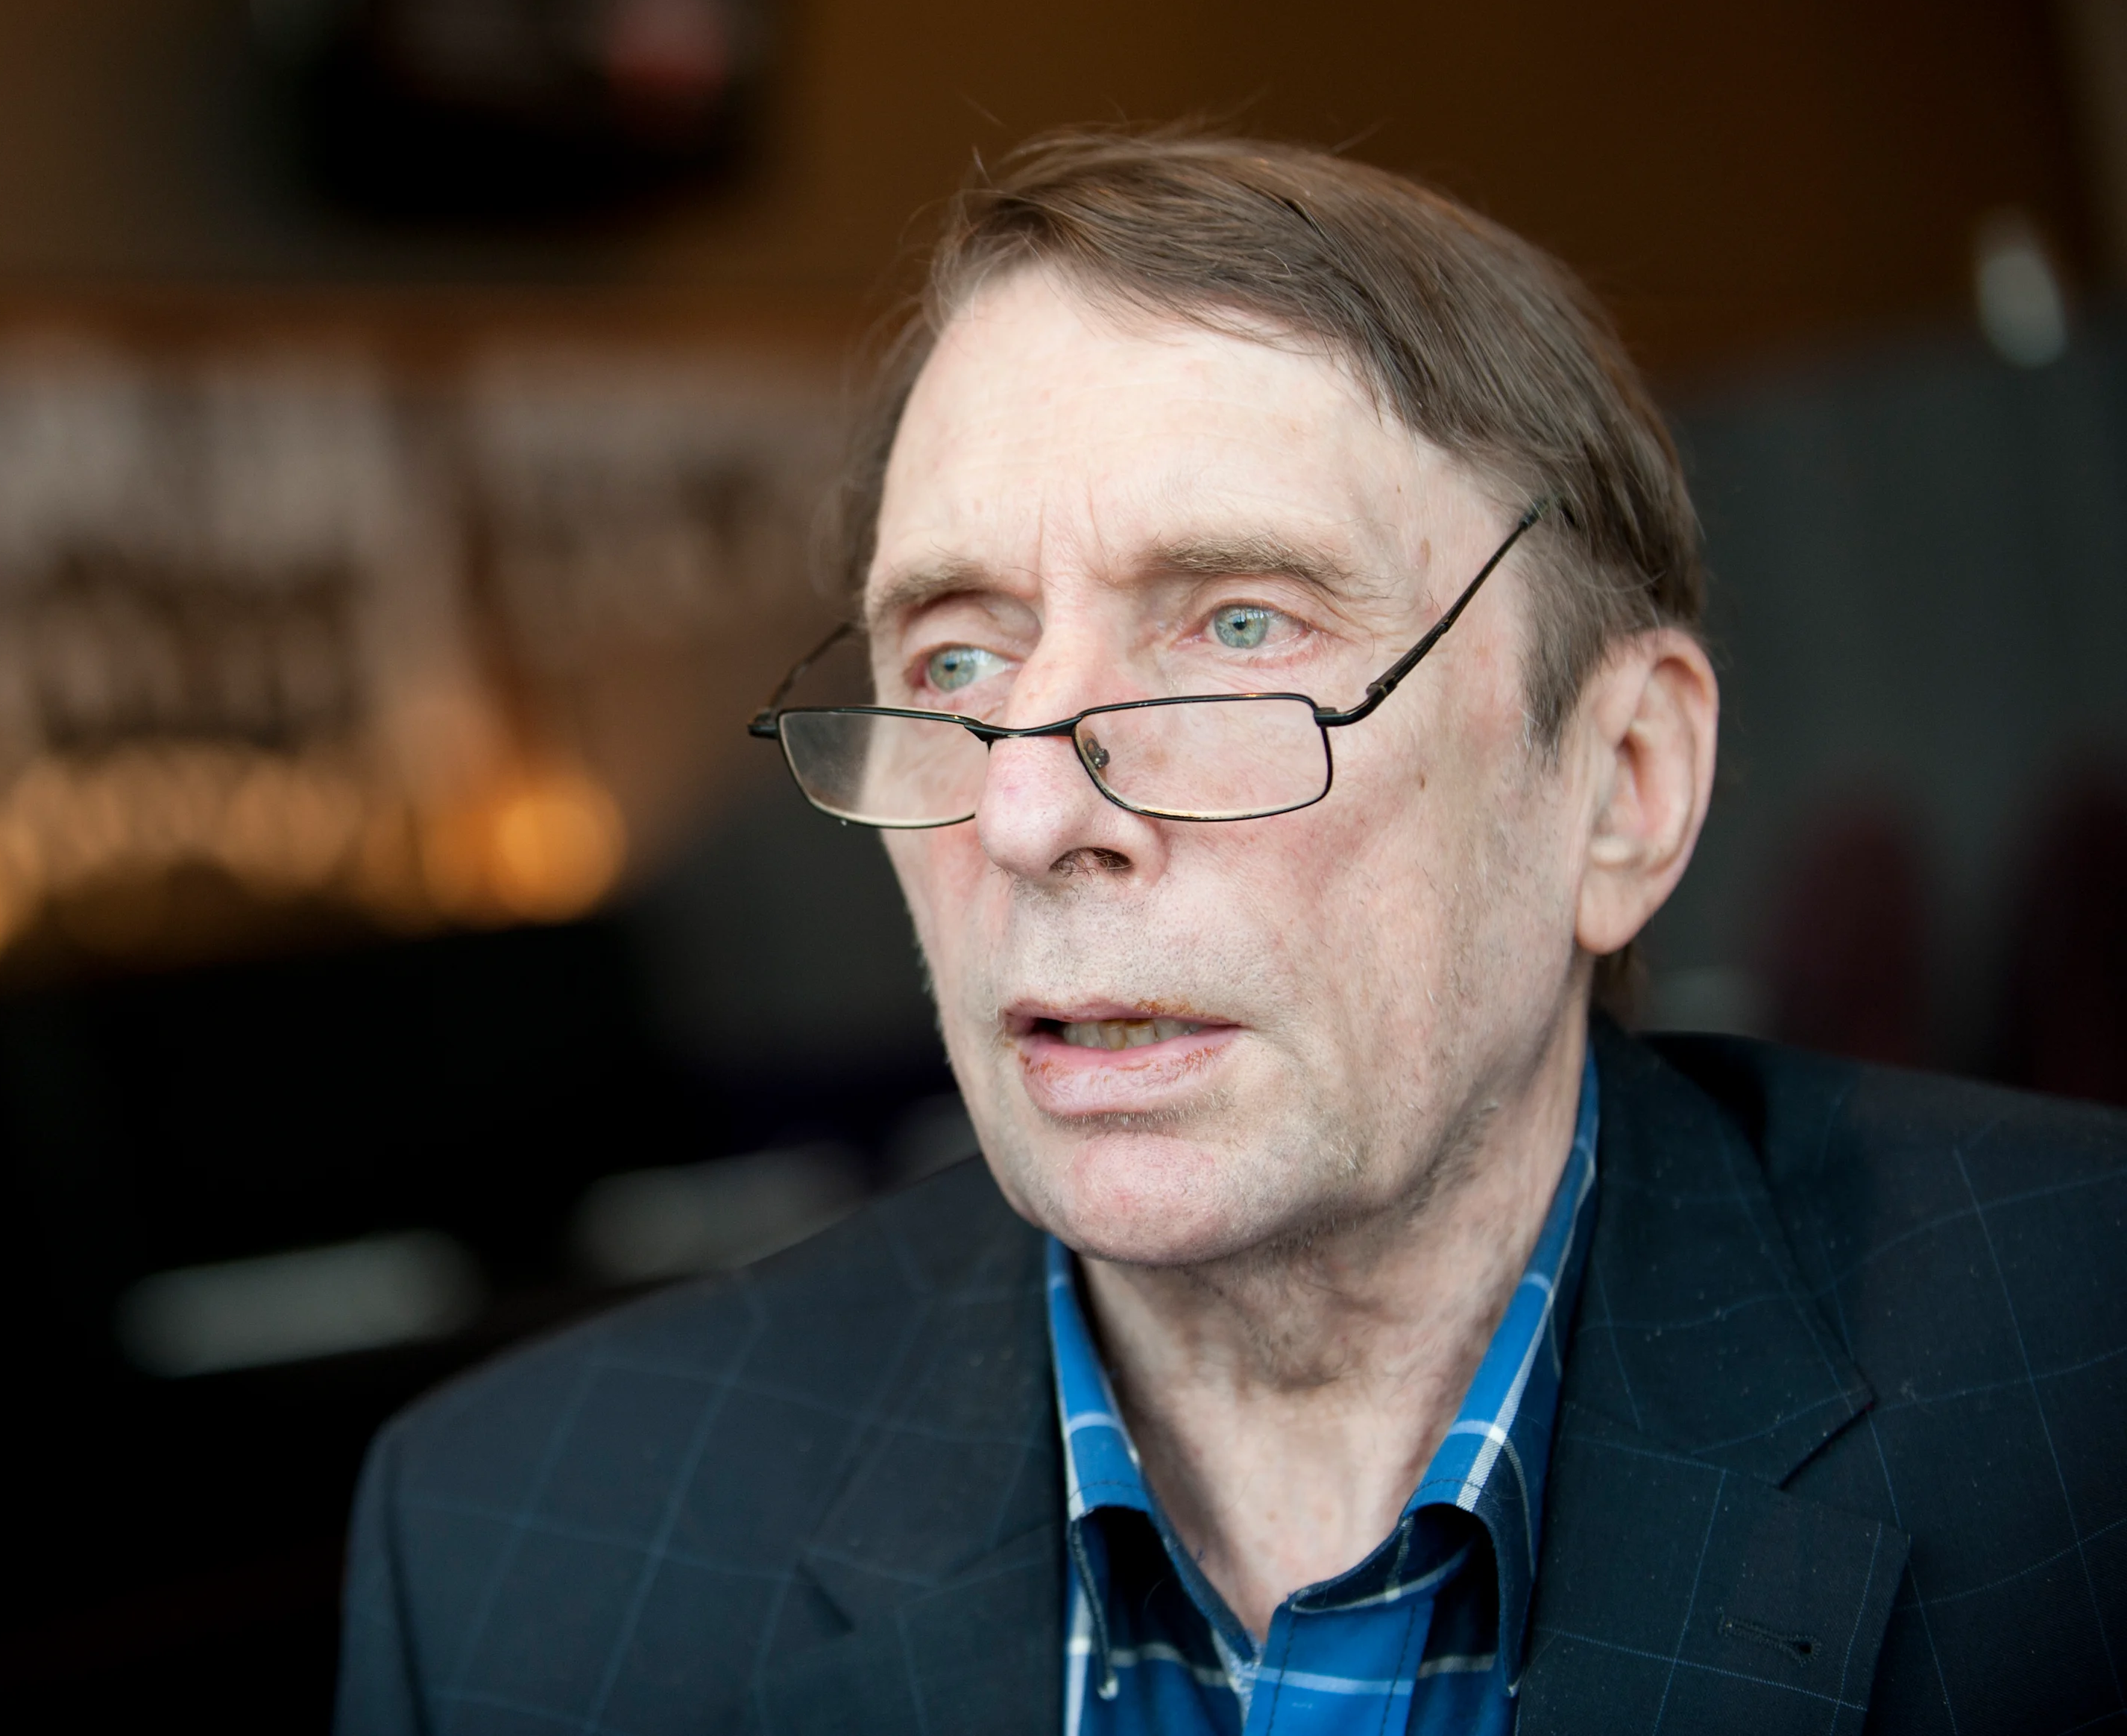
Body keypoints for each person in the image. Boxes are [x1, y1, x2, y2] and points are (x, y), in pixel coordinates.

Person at [334, 131, 2127, 1734]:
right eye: (955, 659)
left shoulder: (2083, 1373)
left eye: (1240, 629)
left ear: (1623, 782)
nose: (1027, 813)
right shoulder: (515, 1557)